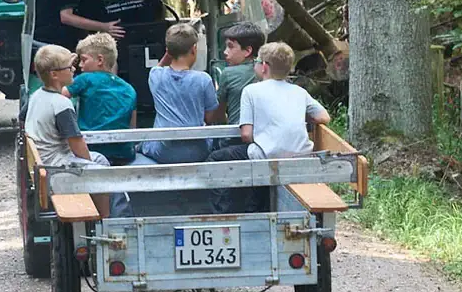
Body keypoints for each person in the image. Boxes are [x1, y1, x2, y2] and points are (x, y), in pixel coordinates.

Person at [208, 41, 331, 212]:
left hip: (267, 155)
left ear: (264, 66)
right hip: (300, 155)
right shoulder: (299, 92)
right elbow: (324, 117)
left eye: (257, 62)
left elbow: (246, 135)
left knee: (216, 159)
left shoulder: (251, 91)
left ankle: (223, 212)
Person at [24, 44, 130, 217]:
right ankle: (104, 220)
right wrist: (89, 168)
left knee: (101, 160)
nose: (74, 69)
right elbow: (77, 145)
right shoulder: (61, 104)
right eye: (69, 67)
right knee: (106, 175)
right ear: (55, 75)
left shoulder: (36, 96)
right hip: (55, 167)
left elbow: (22, 119)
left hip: (43, 162)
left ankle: (100, 213)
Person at [139, 23, 221, 165]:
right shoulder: (204, 79)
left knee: (143, 144)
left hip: (162, 152)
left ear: (168, 51)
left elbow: (159, 66)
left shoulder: (156, 76)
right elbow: (209, 118)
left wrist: (170, 53)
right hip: (197, 152)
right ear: (194, 49)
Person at [69, 33, 138, 166]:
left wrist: (67, 68)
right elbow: (133, 126)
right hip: (123, 154)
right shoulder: (129, 89)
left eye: (83, 60)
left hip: (91, 151)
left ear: (100, 60)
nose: (80, 65)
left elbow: (58, 93)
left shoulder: (85, 79)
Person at [208, 21, 265, 126]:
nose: (225, 52)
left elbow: (217, 114)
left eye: (230, 47)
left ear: (247, 51)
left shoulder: (228, 73)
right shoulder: (266, 70)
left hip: (236, 133)